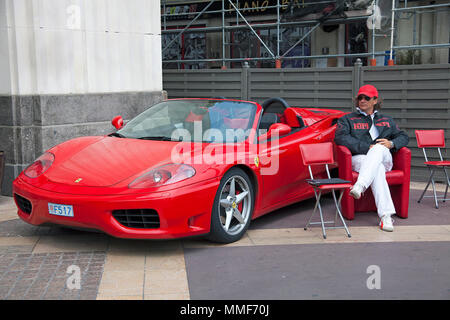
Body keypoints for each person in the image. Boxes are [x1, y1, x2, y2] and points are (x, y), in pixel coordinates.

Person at [334, 84, 409, 232]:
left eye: (366, 98)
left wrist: (391, 143)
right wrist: (365, 147)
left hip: (384, 157)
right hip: (359, 158)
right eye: (360, 98)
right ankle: (386, 216)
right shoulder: (347, 119)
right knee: (377, 169)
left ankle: (360, 185)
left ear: (375, 100)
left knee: (379, 148)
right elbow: (341, 138)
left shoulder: (387, 119)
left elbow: (404, 137)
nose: (362, 101)